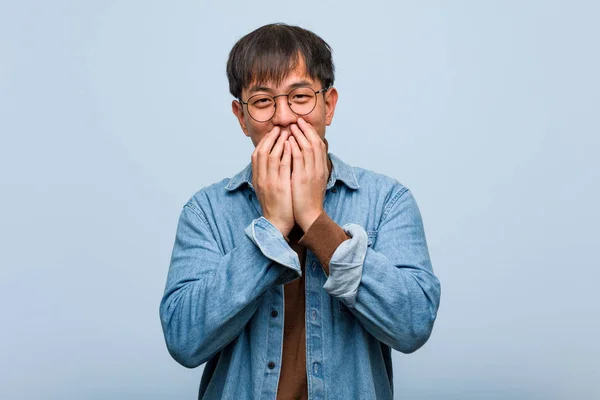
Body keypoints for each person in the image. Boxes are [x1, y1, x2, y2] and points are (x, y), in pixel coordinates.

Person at [159, 23, 441, 400]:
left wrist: (315, 220)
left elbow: (413, 326)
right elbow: (183, 340)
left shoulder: (387, 200)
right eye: (262, 101)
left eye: (300, 96)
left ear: (329, 104)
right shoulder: (206, 211)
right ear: (241, 117)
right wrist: (273, 228)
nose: (284, 117)